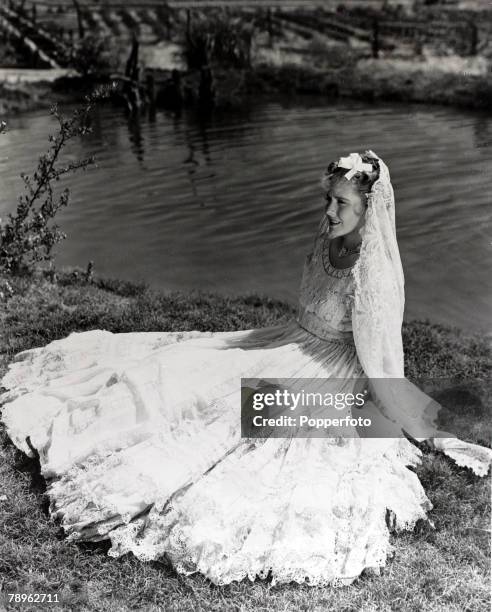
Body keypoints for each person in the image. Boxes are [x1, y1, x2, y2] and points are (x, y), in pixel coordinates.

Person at [0, 150, 490, 587]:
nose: (330, 211)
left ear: (369, 210)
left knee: (242, 421)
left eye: (342, 204)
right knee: (182, 370)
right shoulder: (328, 239)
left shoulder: (372, 270)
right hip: (291, 340)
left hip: (332, 368)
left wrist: (400, 415)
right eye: (330, 200)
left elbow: (379, 356)